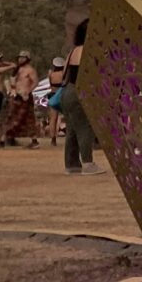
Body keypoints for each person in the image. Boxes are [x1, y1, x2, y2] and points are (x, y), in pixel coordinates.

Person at [54, 19, 101, 176]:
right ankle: (88, 163)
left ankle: (72, 164)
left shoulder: (73, 51)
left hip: (68, 92)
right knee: (85, 127)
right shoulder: (90, 51)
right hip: (81, 93)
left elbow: (65, 76)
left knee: (72, 129)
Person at [0, 52, 42, 147]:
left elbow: (35, 82)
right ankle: (4, 140)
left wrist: (27, 91)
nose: (20, 60)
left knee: (28, 118)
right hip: (16, 96)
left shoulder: (30, 70)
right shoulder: (17, 69)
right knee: (11, 117)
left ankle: (34, 141)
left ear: (27, 59)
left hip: (25, 97)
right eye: (19, 58)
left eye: (23, 58)